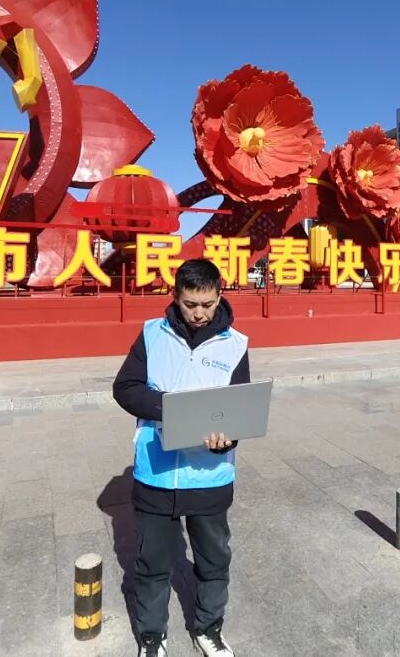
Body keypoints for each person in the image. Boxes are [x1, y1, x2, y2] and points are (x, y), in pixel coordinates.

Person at [113, 258, 249, 657]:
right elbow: (125, 387)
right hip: (156, 473)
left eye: (207, 304)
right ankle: (152, 636)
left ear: (220, 296)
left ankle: (208, 628)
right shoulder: (152, 335)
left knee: (213, 561)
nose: (199, 313)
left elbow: (240, 409)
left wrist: (227, 439)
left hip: (210, 476)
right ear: (176, 297)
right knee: (152, 564)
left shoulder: (236, 344)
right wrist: (170, 408)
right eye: (190, 304)